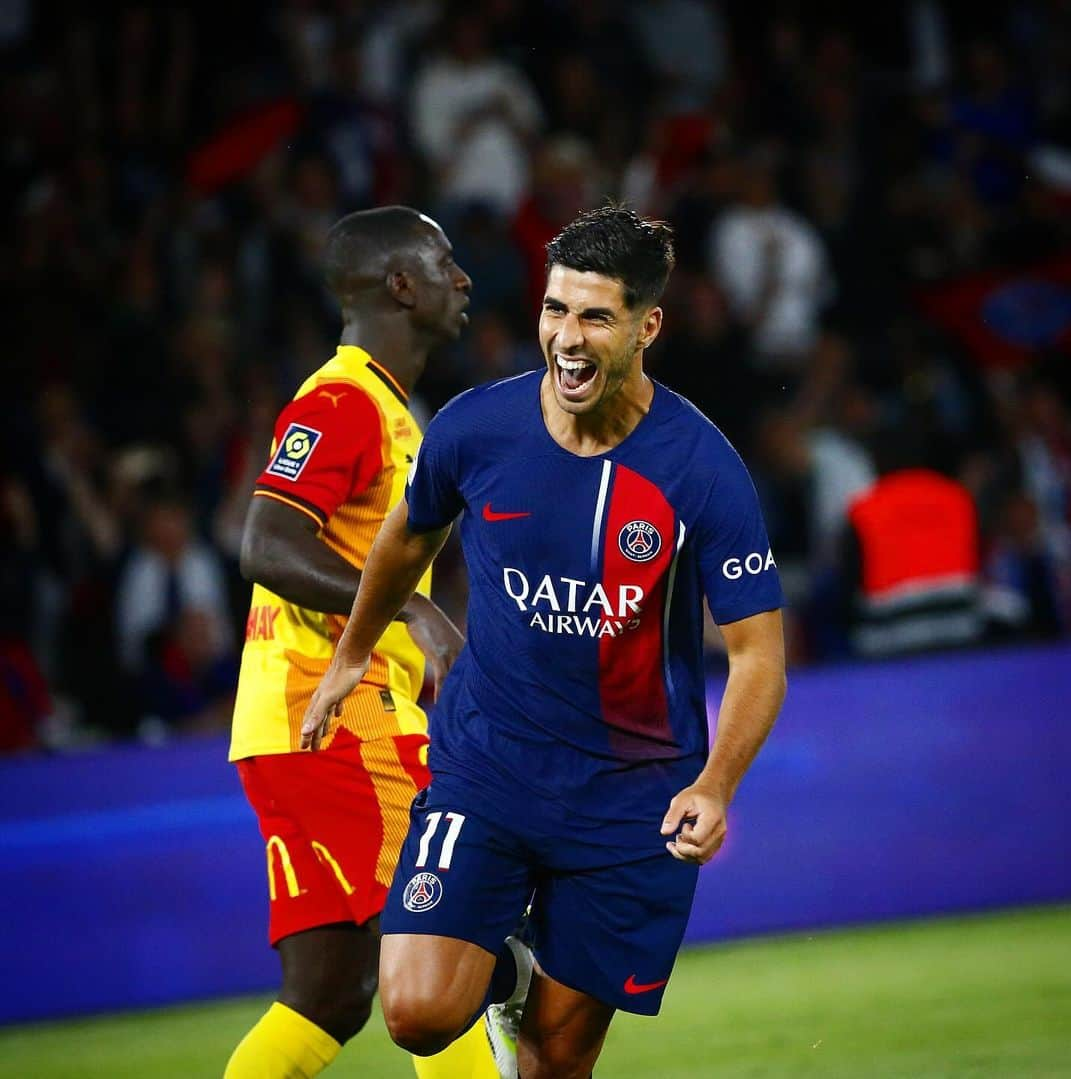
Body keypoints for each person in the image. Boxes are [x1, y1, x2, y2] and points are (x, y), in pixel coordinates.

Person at [301, 205, 788, 1078]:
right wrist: (351, 654)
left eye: (595, 315)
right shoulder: (476, 429)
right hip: (489, 769)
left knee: (552, 1067)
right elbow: (406, 537)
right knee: (414, 1011)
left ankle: (525, 988)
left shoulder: (699, 466)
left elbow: (758, 653)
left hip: (628, 801)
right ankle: (508, 967)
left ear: (648, 326)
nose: (567, 336)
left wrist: (717, 785)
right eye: (556, 309)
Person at [225, 206, 499, 1079]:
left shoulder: (386, 407)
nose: (463, 280)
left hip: (298, 721)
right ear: (400, 284)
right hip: (342, 718)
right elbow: (266, 543)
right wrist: (406, 613)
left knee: (329, 993)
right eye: (445, 262)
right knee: (444, 935)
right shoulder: (343, 401)